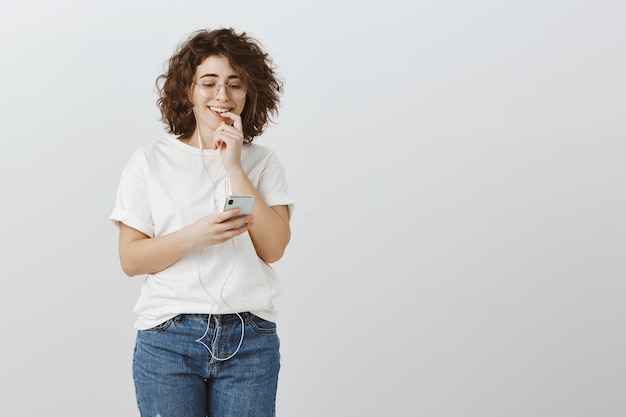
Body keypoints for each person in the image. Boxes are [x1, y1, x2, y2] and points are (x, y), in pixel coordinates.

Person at [110, 28, 293, 417]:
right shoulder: (149, 162)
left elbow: (274, 248)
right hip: (168, 340)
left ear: (250, 92)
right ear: (188, 91)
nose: (222, 96)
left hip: (250, 339)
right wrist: (196, 235)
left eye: (234, 84)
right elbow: (131, 260)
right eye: (208, 83)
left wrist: (234, 166)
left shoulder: (263, 162)